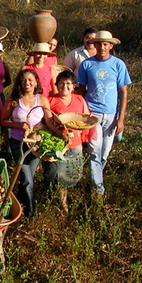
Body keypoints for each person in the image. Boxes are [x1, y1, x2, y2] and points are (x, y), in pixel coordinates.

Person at [77, 30, 131, 195]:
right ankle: (97, 191)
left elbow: (123, 92)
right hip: (93, 114)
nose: (101, 47)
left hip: (111, 115)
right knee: (94, 151)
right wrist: (83, 115)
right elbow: (81, 92)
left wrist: (121, 118)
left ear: (111, 46)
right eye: (99, 44)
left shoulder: (118, 65)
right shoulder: (86, 65)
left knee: (104, 153)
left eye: (105, 44)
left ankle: (93, 180)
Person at [0, 69, 57, 219]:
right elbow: (3, 121)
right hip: (18, 143)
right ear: (20, 83)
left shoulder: (42, 100)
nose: (27, 83)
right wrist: (18, 126)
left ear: (36, 82)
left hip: (35, 145)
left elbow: (49, 122)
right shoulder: (13, 100)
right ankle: (31, 213)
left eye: (30, 80)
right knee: (26, 177)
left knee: (28, 178)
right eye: (24, 80)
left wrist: (59, 134)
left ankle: (17, 204)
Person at [43, 70, 91, 214]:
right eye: (62, 83)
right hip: (58, 144)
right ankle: (59, 205)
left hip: (75, 144)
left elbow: (86, 118)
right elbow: (47, 123)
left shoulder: (79, 100)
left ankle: (64, 202)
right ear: (56, 85)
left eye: (68, 83)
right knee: (54, 175)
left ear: (74, 86)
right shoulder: (50, 101)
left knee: (71, 175)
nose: (65, 86)